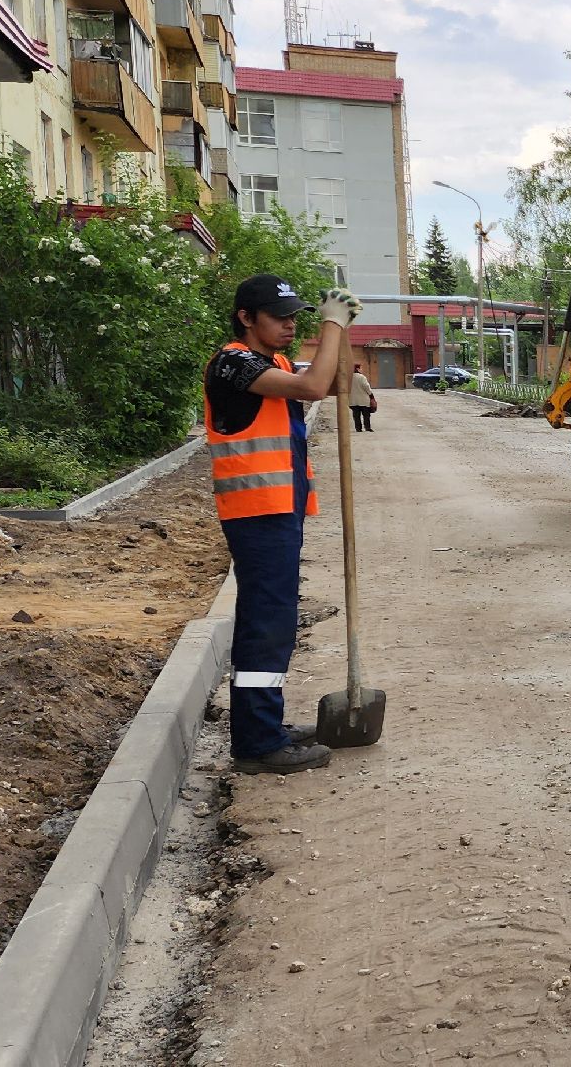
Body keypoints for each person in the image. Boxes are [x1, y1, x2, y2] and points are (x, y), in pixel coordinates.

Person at [206, 274, 363, 775]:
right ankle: (257, 744)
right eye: (279, 317)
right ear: (246, 318)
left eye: (295, 316)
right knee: (266, 623)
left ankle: (265, 727)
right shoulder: (233, 363)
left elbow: (336, 383)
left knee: (275, 621)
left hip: (279, 510)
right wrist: (331, 325)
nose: (290, 325)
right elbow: (314, 386)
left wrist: (342, 331)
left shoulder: (275, 363)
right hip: (256, 513)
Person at [349, 363, 377, 432]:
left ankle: (358, 428)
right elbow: (366, 387)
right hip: (363, 399)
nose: (362, 370)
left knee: (356, 415)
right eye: (361, 368)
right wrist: (371, 395)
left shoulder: (349, 377)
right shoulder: (362, 377)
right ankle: (367, 427)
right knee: (366, 414)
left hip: (353, 400)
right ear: (358, 369)